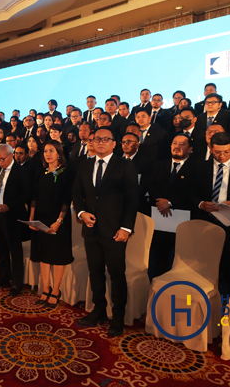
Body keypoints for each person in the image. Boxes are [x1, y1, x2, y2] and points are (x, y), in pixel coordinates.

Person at [72, 126, 138, 336]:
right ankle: (98, 309)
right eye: (96, 139)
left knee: (117, 275)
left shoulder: (124, 165)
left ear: (113, 143)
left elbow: (132, 199)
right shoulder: (85, 165)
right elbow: (76, 193)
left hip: (115, 231)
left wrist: (126, 228)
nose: (100, 142)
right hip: (91, 230)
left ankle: (118, 317)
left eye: (105, 139)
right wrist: (81, 212)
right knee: (96, 272)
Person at [189, 132, 230, 294]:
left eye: (226, 152)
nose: (221, 156)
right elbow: (189, 192)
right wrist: (200, 204)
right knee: (205, 265)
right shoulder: (199, 167)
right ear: (210, 149)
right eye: (217, 152)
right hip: (206, 222)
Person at [29, 141, 74, 307]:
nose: (47, 154)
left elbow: (66, 199)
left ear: (59, 153)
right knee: (43, 255)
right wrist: (32, 219)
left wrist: (59, 221)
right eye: (45, 151)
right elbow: (34, 197)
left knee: (57, 256)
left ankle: (56, 290)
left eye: (51, 151)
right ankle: (45, 289)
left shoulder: (66, 172)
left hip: (58, 221)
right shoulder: (41, 171)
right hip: (41, 218)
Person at [0, 144, 30, 296]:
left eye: (2, 159)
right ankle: (2, 277)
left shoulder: (21, 171)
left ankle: (16, 283)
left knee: (14, 250)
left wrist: (8, 206)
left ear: (11, 156)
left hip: (13, 216)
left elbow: (26, 194)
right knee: (0, 248)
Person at [147, 134, 195, 279]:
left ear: (190, 149)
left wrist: (170, 202)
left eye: (182, 144)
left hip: (184, 220)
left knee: (181, 257)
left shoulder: (196, 167)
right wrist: (160, 202)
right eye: (174, 143)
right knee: (159, 256)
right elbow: (151, 185)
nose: (177, 147)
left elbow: (193, 191)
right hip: (160, 218)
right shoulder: (159, 165)